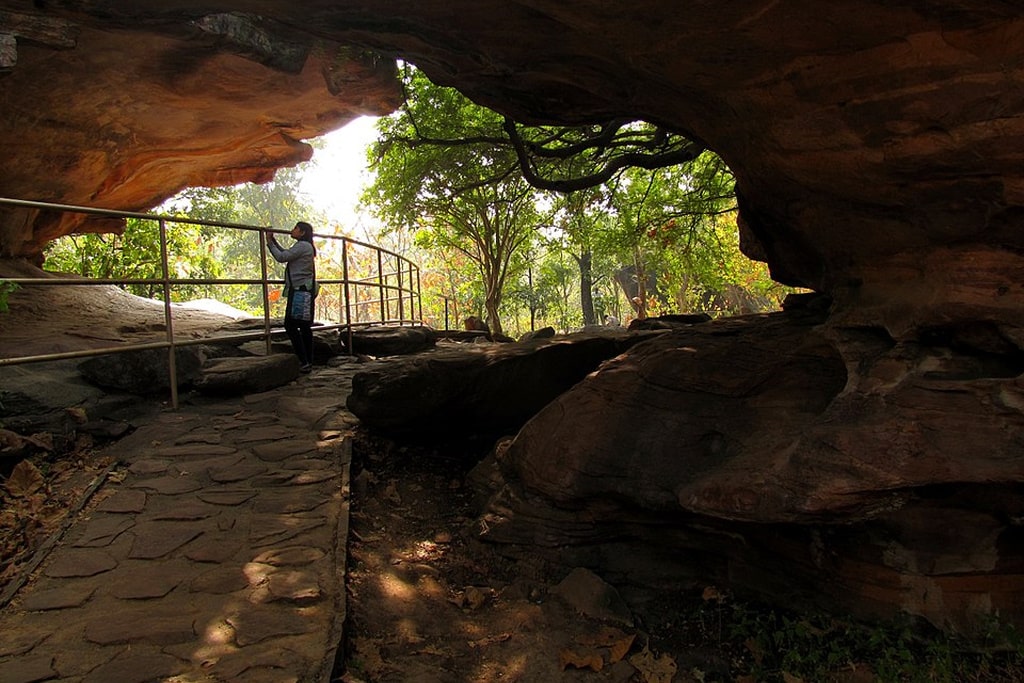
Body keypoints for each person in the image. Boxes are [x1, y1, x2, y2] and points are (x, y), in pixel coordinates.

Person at [265, 221, 317, 372]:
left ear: (302, 232)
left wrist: (269, 242)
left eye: (295, 228)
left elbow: (282, 257)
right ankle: (308, 361)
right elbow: (287, 254)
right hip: (305, 289)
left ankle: (304, 360)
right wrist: (273, 240)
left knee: (291, 324)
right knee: (305, 326)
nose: (292, 230)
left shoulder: (302, 246)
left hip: (299, 290)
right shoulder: (306, 246)